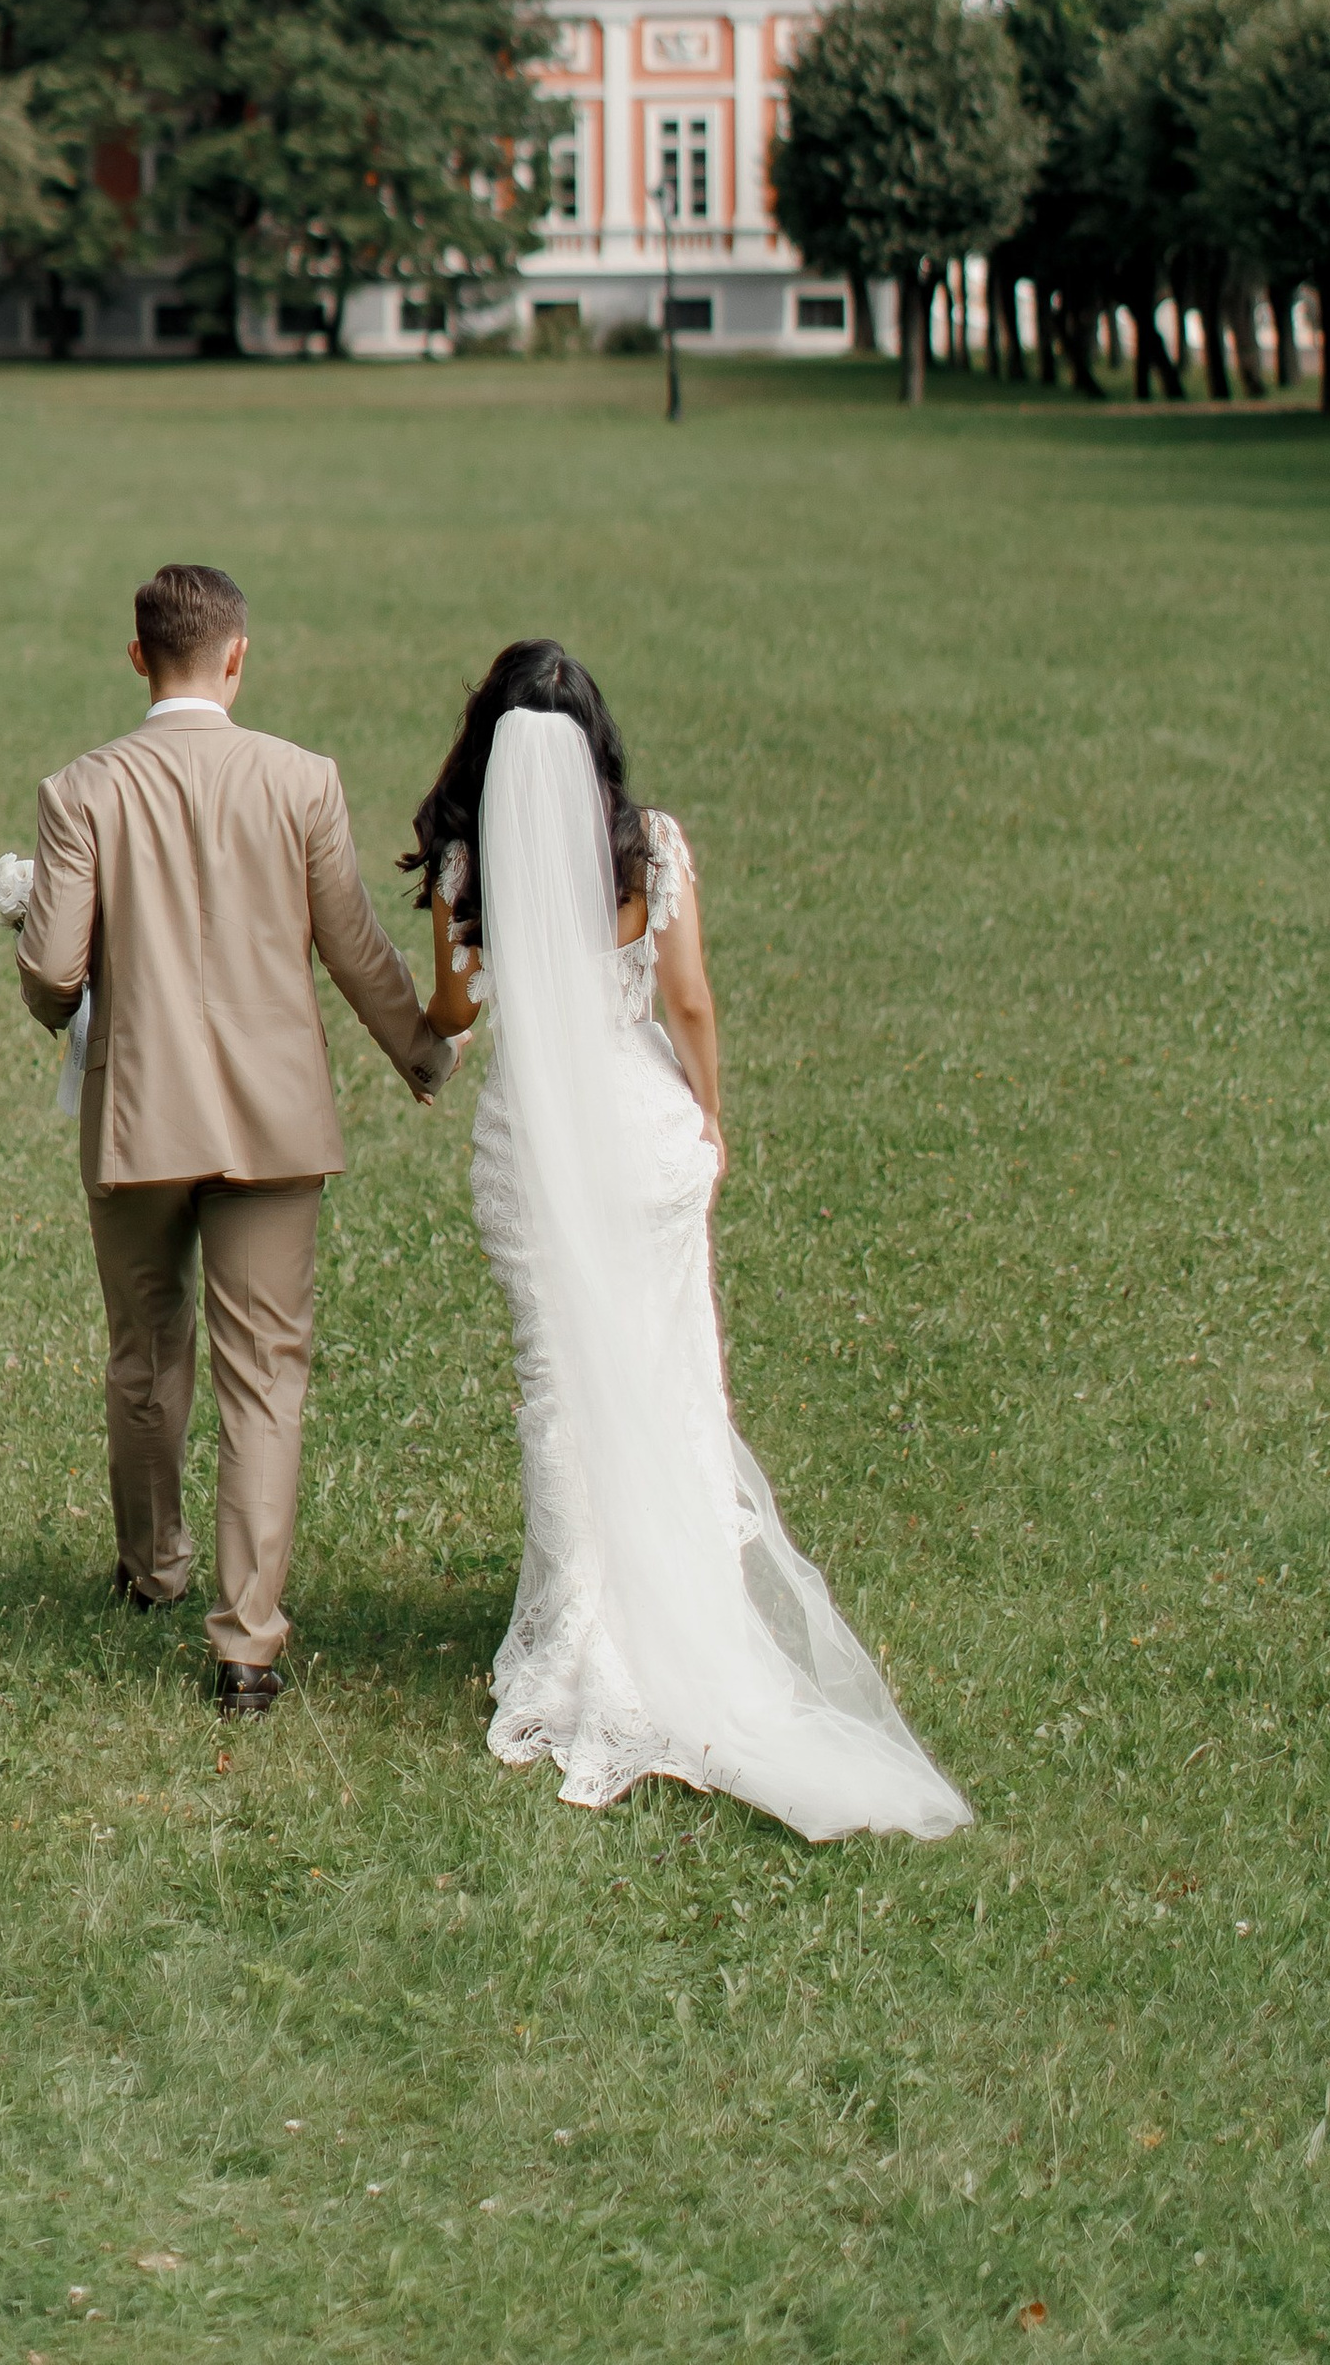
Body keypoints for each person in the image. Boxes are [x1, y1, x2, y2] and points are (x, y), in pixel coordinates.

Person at [406, 641, 967, 1842]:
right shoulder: (648, 848)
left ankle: (574, 1632)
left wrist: (438, 1011)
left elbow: (454, 1011)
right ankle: (679, 1609)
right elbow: (690, 999)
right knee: (666, 1377)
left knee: (558, 1384)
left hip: (535, 1150)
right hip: (642, 1139)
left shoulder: (469, 863)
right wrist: (710, 1114)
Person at [16, 560, 455, 1717]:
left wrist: (54, 993)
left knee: (144, 1350)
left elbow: (54, 971)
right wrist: (419, 1051)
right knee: (265, 1373)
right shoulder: (300, 780)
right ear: (237, 657)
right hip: (272, 1117)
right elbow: (352, 942)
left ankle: (151, 1566)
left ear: (136, 658)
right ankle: (246, 1644)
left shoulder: (82, 789)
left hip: (138, 1112)